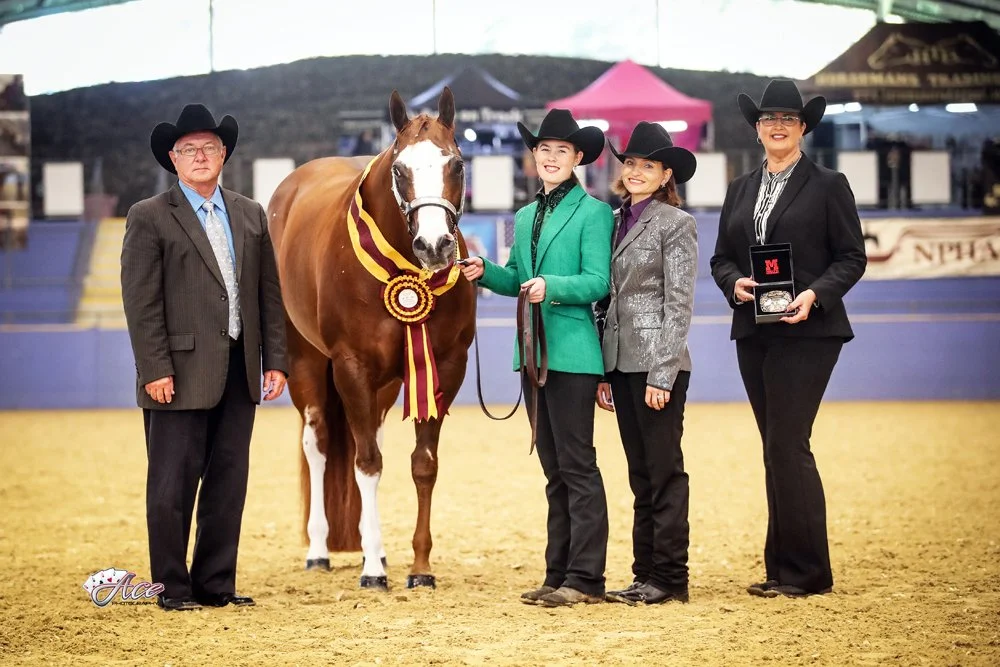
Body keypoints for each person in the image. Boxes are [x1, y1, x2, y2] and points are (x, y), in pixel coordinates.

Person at [121, 103, 289, 611]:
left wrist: (274, 360)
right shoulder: (148, 216)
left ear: (224, 154)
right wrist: (155, 369)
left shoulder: (249, 213)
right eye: (188, 149)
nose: (199, 155)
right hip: (177, 374)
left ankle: (216, 584)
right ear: (173, 159)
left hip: (239, 373)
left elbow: (269, 294)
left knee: (227, 486)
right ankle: (172, 588)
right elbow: (141, 301)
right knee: (171, 487)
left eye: (209, 147)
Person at [709, 79, 867, 598]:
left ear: (802, 128)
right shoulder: (739, 189)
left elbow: (851, 257)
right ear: (757, 129)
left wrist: (815, 295)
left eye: (788, 119)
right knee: (773, 448)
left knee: (787, 443)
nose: (777, 125)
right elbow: (721, 258)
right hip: (756, 328)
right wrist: (735, 282)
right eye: (768, 118)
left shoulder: (828, 184)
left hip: (809, 328)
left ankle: (807, 572)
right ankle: (780, 567)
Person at [460, 109, 613, 608]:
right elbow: (517, 280)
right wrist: (485, 271)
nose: (550, 157)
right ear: (535, 157)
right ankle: (557, 573)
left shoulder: (595, 213)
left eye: (561, 151)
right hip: (530, 353)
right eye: (543, 149)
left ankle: (586, 578)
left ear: (578, 159)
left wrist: (553, 287)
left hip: (571, 353)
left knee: (578, 467)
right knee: (553, 469)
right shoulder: (523, 217)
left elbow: (597, 282)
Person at [594, 122, 698, 605]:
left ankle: (671, 577)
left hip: (658, 364)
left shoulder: (676, 224)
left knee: (663, 471)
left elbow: (678, 303)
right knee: (641, 474)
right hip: (620, 362)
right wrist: (603, 370)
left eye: (647, 166)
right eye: (631, 163)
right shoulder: (615, 219)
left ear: (665, 175)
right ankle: (644, 574)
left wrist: (664, 371)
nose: (636, 171)